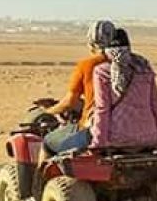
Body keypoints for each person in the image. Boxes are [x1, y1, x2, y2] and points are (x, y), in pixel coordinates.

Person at [39, 20, 116, 157]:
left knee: (47, 142)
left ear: (91, 43)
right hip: (128, 128)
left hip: (93, 129)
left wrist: (50, 111)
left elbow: (69, 102)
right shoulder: (129, 65)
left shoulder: (87, 65)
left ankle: (39, 178)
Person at [89, 28, 157, 148]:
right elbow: (156, 105)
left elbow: (102, 109)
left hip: (117, 138)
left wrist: (98, 143)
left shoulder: (101, 71)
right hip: (149, 137)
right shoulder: (144, 67)